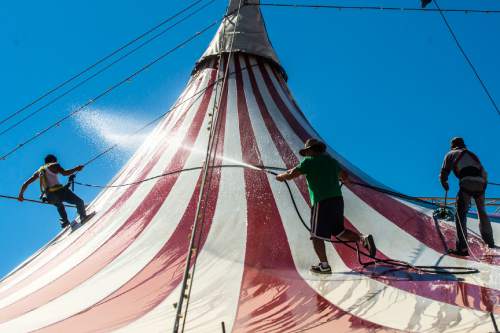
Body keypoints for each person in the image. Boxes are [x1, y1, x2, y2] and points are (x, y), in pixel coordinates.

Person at [276, 138, 377, 274]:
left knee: (316, 236)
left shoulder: (308, 162)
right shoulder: (331, 162)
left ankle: (324, 266)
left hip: (322, 201)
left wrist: (280, 176)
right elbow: (344, 176)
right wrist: (343, 179)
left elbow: (290, 174)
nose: (306, 154)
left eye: (307, 151)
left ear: (311, 150)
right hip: (337, 201)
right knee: (339, 231)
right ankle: (362, 238)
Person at [440, 137, 495, 256]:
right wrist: (481, 185)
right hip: (481, 183)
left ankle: (462, 248)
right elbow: (484, 173)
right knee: (482, 212)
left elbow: (444, 172)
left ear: (452, 146)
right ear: (463, 144)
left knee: (460, 214)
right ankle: (490, 243)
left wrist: (444, 183)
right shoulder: (472, 154)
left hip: (467, 182)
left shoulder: (451, 154)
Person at [18, 154, 88, 228]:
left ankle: (65, 221)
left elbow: (25, 183)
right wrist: (76, 168)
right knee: (79, 202)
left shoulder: (39, 172)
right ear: (53, 161)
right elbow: (65, 173)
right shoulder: (54, 165)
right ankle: (83, 217)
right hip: (60, 192)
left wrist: (21, 195)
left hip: (50, 196)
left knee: (60, 206)